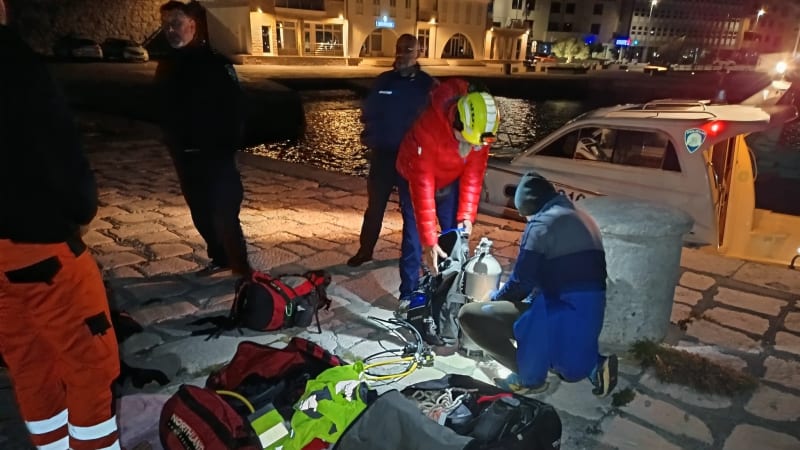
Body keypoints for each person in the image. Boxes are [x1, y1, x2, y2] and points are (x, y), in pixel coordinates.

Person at [0, 1, 121, 448]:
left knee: (27, 356)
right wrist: (74, 214)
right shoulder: (16, 65)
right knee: (90, 361)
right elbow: (60, 157)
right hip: (37, 243)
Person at [458, 172, 618, 397]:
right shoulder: (581, 217)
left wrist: (493, 299)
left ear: (530, 208)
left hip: (561, 311)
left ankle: (526, 377)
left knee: (471, 315)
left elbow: (521, 283)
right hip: (589, 315)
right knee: (552, 337)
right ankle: (593, 365)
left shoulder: (541, 224)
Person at [155, 0, 251, 277]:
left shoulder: (214, 64)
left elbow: (237, 108)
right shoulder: (168, 65)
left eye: (176, 23)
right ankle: (219, 256)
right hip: (185, 155)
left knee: (225, 212)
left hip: (216, 156)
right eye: (166, 24)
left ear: (192, 25)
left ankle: (241, 269)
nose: (170, 30)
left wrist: (226, 147)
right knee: (200, 211)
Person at [395, 79, 499, 305]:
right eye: (466, 141)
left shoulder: (480, 131)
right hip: (414, 176)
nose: (470, 148)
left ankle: (448, 288)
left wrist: (467, 217)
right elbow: (422, 189)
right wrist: (429, 242)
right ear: (457, 122)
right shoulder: (428, 129)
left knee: (456, 235)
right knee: (415, 240)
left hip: (448, 179)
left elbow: (473, 177)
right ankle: (409, 294)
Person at [347, 34, 436, 267]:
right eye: (400, 48)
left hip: (411, 160)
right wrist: (370, 138)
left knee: (411, 211)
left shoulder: (428, 85)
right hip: (383, 156)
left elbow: (438, 122)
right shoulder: (383, 81)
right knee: (374, 207)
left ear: (419, 52)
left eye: (409, 49)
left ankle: (411, 256)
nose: (403, 53)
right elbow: (368, 112)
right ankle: (365, 251)